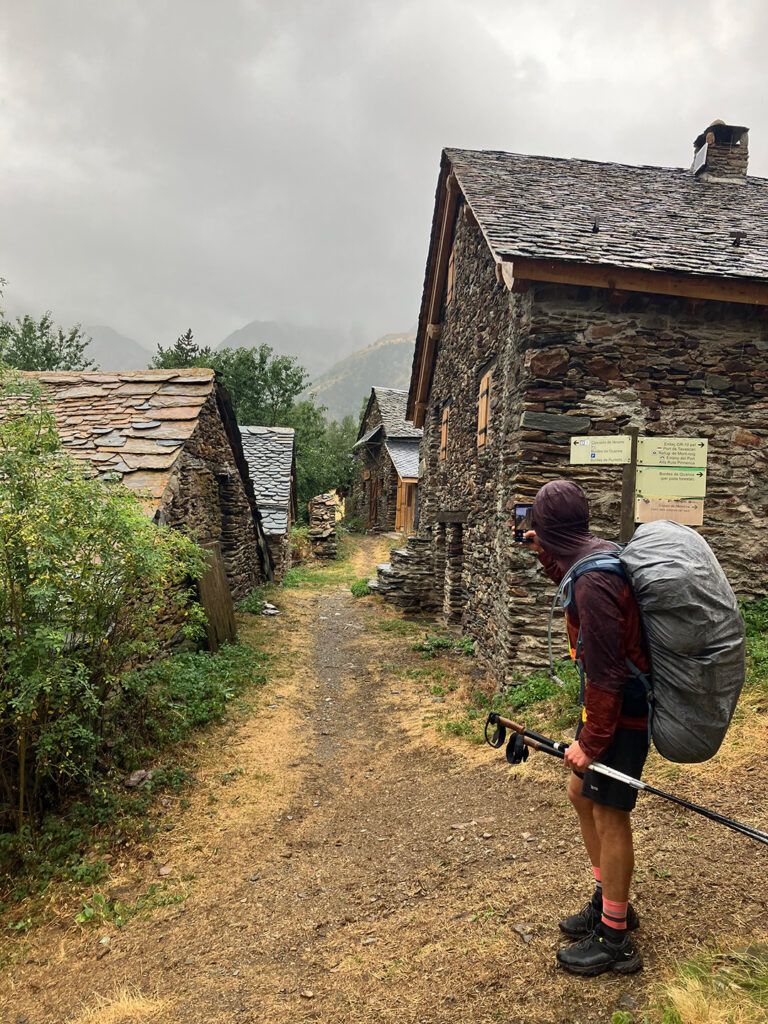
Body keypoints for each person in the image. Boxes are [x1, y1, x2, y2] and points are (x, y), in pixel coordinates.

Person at [524, 479, 649, 976]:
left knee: (609, 813)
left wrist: (591, 743)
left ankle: (616, 938)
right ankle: (608, 898)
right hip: (608, 707)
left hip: (623, 712)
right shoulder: (591, 554)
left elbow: (607, 672)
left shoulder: (594, 584)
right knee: (582, 797)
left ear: (546, 526)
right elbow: (566, 569)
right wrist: (541, 553)